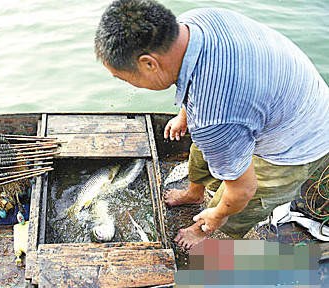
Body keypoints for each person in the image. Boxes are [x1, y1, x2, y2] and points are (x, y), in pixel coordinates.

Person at [94, 0, 329, 249]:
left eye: (123, 77)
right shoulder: (195, 22)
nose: (127, 84)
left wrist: (216, 216)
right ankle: (194, 194)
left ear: (149, 63)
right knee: (203, 150)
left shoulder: (214, 117)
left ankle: (202, 230)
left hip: (298, 141)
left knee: (239, 205)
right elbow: (196, 78)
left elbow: (243, 190)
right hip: (278, 100)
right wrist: (185, 115)